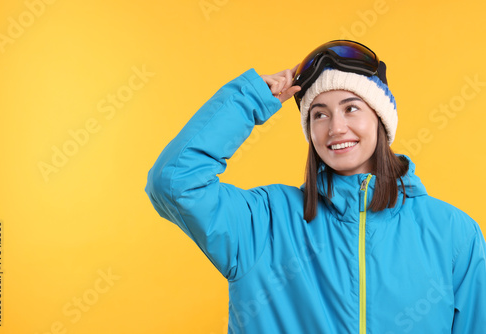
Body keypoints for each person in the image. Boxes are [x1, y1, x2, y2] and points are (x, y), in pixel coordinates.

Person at [145, 40, 486, 333]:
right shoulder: (264, 222)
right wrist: (248, 101)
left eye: (351, 108)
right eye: (319, 115)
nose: (336, 128)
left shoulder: (454, 234)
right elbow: (174, 182)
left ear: (381, 120)